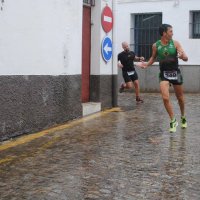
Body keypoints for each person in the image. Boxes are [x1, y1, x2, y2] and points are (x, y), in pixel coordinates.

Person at [137, 24, 188, 133]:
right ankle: (173, 120)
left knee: (180, 98)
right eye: (170, 31)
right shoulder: (156, 45)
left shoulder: (175, 43)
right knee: (165, 98)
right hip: (164, 74)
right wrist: (146, 64)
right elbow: (153, 57)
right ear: (164, 33)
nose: (172, 33)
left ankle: (183, 116)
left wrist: (182, 56)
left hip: (175, 73)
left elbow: (186, 58)